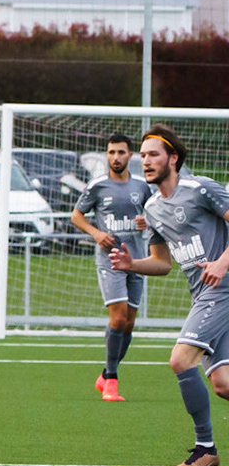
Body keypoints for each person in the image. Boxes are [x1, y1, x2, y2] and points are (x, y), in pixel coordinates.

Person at [110, 124, 229, 466]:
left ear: (173, 158)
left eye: (153, 155)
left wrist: (222, 262)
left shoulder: (200, 188)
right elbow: (162, 264)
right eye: (142, 156)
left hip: (223, 288)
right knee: (223, 384)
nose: (145, 162)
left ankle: (204, 449)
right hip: (204, 295)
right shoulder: (152, 207)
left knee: (180, 360)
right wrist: (132, 264)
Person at [68, 132, 152, 402]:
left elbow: (155, 215)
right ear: (107, 155)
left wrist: (147, 222)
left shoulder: (143, 186)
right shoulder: (97, 186)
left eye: (121, 152)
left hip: (138, 261)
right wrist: (95, 233)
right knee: (117, 318)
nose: (116, 157)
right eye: (111, 152)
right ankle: (112, 381)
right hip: (110, 261)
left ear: (131, 155)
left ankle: (105, 373)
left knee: (128, 324)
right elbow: (76, 216)